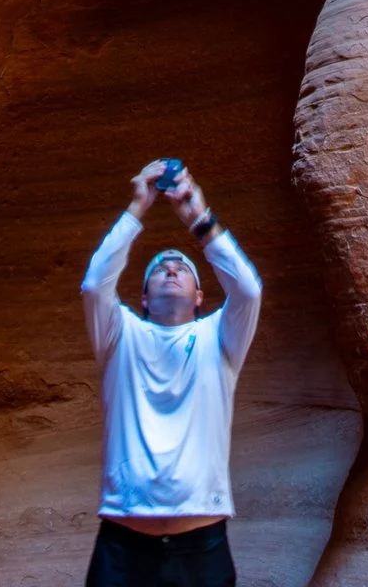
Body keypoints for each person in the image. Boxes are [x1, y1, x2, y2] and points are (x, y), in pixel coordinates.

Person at [79, 160, 262, 587]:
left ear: (199, 296)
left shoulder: (218, 339)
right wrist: (138, 206)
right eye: (160, 268)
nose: (172, 269)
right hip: (124, 546)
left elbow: (248, 290)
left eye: (182, 268)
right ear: (143, 297)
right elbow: (94, 285)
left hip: (201, 547)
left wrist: (199, 218)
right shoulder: (120, 335)